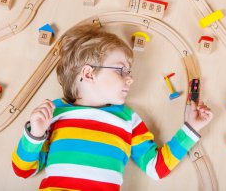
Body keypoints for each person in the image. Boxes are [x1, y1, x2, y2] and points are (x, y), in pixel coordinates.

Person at [11, 24, 213, 191]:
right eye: (121, 70)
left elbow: (156, 168)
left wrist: (191, 128)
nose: (131, 78)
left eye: (129, 71)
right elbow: (23, 170)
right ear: (89, 74)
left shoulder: (128, 120)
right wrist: (35, 134)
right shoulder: (54, 113)